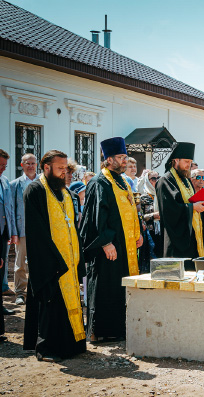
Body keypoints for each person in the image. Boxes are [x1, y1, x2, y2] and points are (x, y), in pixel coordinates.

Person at [22, 150, 86, 362]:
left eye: (65, 169)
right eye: (60, 169)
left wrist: (77, 258)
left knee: (67, 305)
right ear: (47, 167)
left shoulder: (65, 192)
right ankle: (47, 348)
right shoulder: (35, 190)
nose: (63, 173)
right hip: (49, 261)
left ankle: (72, 345)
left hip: (68, 258)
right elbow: (36, 231)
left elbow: (73, 227)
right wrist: (54, 261)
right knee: (50, 305)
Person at [81, 137, 142, 342]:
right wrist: (105, 242)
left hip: (124, 245)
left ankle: (119, 328)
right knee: (105, 287)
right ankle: (100, 331)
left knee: (118, 286)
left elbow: (130, 210)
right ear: (108, 159)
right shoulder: (99, 182)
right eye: (120, 157)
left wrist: (137, 233)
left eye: (125, 157)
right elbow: (94, 217)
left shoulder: (122, 181)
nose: (125, 161)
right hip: (108, 246)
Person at [157, 142, 204, 266]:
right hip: (177, 243)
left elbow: (191, 202)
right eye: (186, 161)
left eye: (190, 162)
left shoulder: (187, 180)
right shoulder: (165, 181)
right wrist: (193, 207)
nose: (189, 165)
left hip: (193, 240)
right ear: (175, 160)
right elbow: (169, 211)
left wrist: (201, 206)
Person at [10, 153, 38, 305]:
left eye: (33, 163)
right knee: (20, 263)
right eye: (27, 163)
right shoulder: (15, 184)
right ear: (22, 165)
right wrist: (13, 231)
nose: (31, 166)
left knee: (39, 261)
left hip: (40, 230)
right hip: (22, 229)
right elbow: (12, 209)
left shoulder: (43, 181)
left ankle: (37, 291)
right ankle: (20, 292)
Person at [0, 149, 17, 330]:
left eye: (5, 166)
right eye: (0, 165)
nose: (3, 169)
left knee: (2, 270)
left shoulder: (4, 181)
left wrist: (11, 231)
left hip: (3, 232)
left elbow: (9, 208)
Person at [139, 170, 163, 261]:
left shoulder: (163, 195)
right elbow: (140, 217)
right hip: (149, 231)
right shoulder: (143, 197)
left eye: (158, 178)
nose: (156, 180)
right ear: (147, 181)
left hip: (163, 230)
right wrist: (153, 216)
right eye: (153, 178)